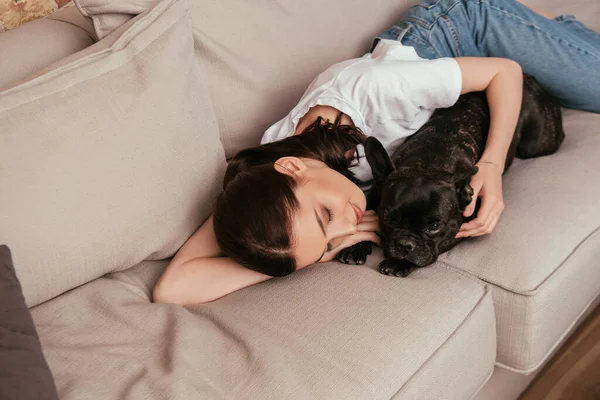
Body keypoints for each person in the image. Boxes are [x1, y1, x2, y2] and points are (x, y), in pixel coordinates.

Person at [153, 0, 600, 305]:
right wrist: (307, 254)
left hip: (465, 32)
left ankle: (544, 32)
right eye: (329, 238)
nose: (349, 224)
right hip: (444, 81)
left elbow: (504, 73)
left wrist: (491, 166)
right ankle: (561, 40)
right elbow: (172, 288)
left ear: (291, 167)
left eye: (326, 217)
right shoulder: (264, 192)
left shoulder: (372, 92)